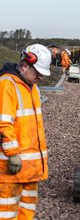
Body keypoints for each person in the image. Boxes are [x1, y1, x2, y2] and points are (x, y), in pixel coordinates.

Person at [0, 44, 51, 220]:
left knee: (27, 211)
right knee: (6, 213)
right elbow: (4, 123)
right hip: (12, 168)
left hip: (30, 169)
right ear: (25, 66)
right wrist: (12, 153)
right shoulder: (7, 85)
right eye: (38, 73)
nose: (40, 78)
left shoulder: (32, 87)